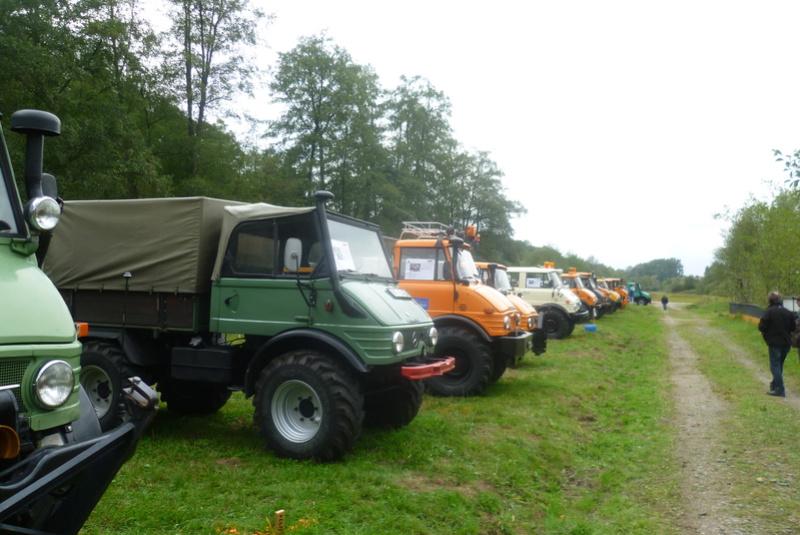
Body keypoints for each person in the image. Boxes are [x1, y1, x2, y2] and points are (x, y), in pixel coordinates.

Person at [758, 291, 796, 397]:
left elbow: (762, 326)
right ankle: (774, 384)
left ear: (770, 300)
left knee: (775, 365)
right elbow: (793, 327)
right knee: (779, 365)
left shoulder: (769, 311)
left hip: (775, 343)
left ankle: (779, 389)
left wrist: (765, 332)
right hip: (786, 342)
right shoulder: (788, 312)